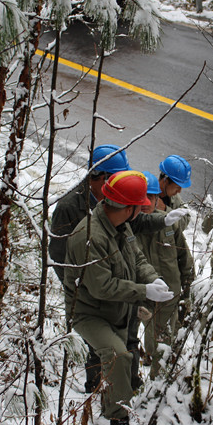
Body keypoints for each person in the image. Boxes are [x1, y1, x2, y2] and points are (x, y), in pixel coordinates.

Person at [49, 145, 188, 393]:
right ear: (100, 177)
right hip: (92, 293)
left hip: (122, 289)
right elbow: (60, 256)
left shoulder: (113, 204)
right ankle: (97, 388)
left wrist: (162, 220)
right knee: (101, 347)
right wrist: (80, 287)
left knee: (128, 338)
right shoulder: (71, 207)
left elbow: (134, 223)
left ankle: (128, 384)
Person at [64, 170, 175, 425]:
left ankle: (118, 393)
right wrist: (143, 291)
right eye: (140, 207)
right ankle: (116, 415)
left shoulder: (120, 225)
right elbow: (102, 287)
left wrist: (153, 279)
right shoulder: (89, 238)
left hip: (117, 308)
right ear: (129, 208)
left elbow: (137, 259)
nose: (143, 211)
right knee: (118, 355)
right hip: (89, 312)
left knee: (125, 353)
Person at [135, 172, 195, 379]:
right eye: (142, 198)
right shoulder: (127, 228)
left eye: (151, 198)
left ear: (157, 199)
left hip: (169, 296)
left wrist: (187, 290)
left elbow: (184, 258)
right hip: (141, 297)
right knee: (145, 341)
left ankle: (158, 382)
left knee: (164, 342)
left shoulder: (169, 224)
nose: (146, 203)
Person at [156, 155, 192, 231]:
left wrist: (166, 209)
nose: (179, 191)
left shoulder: (175, 198)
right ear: (165, 181)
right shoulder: (148, 195)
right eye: (177, 187)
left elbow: (185, 220)